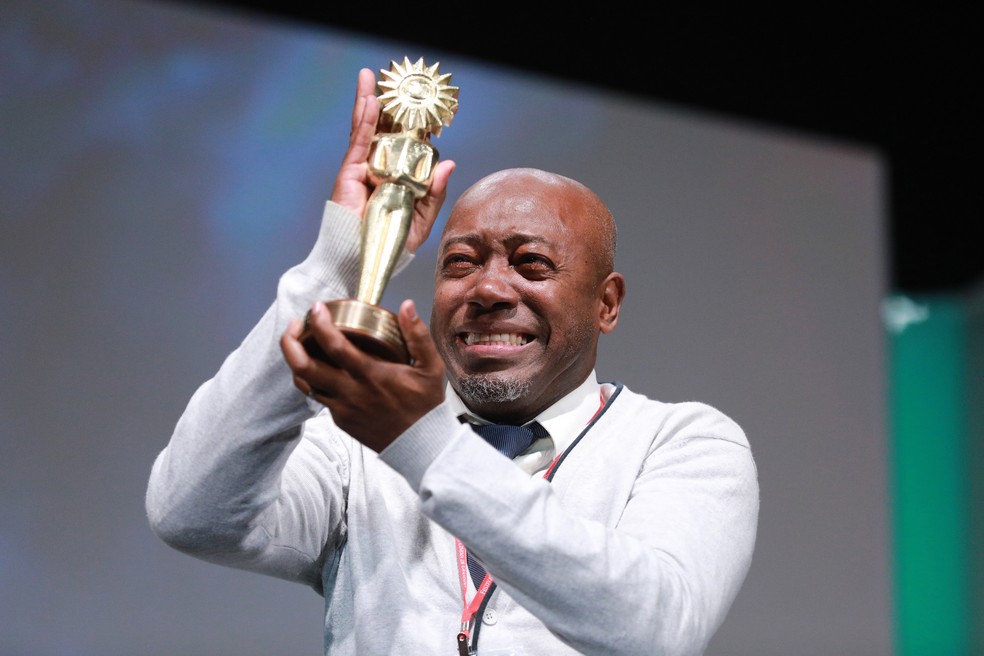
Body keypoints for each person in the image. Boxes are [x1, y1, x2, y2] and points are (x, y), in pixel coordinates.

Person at [146, 67, 759, 656]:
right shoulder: (353, 450)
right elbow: (191, 514)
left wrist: (424, 443)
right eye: (461, 261)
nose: (487, 290)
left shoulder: (683, 443)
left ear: (607, 302)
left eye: (532, 263)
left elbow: (654, 630)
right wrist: (341, 266)